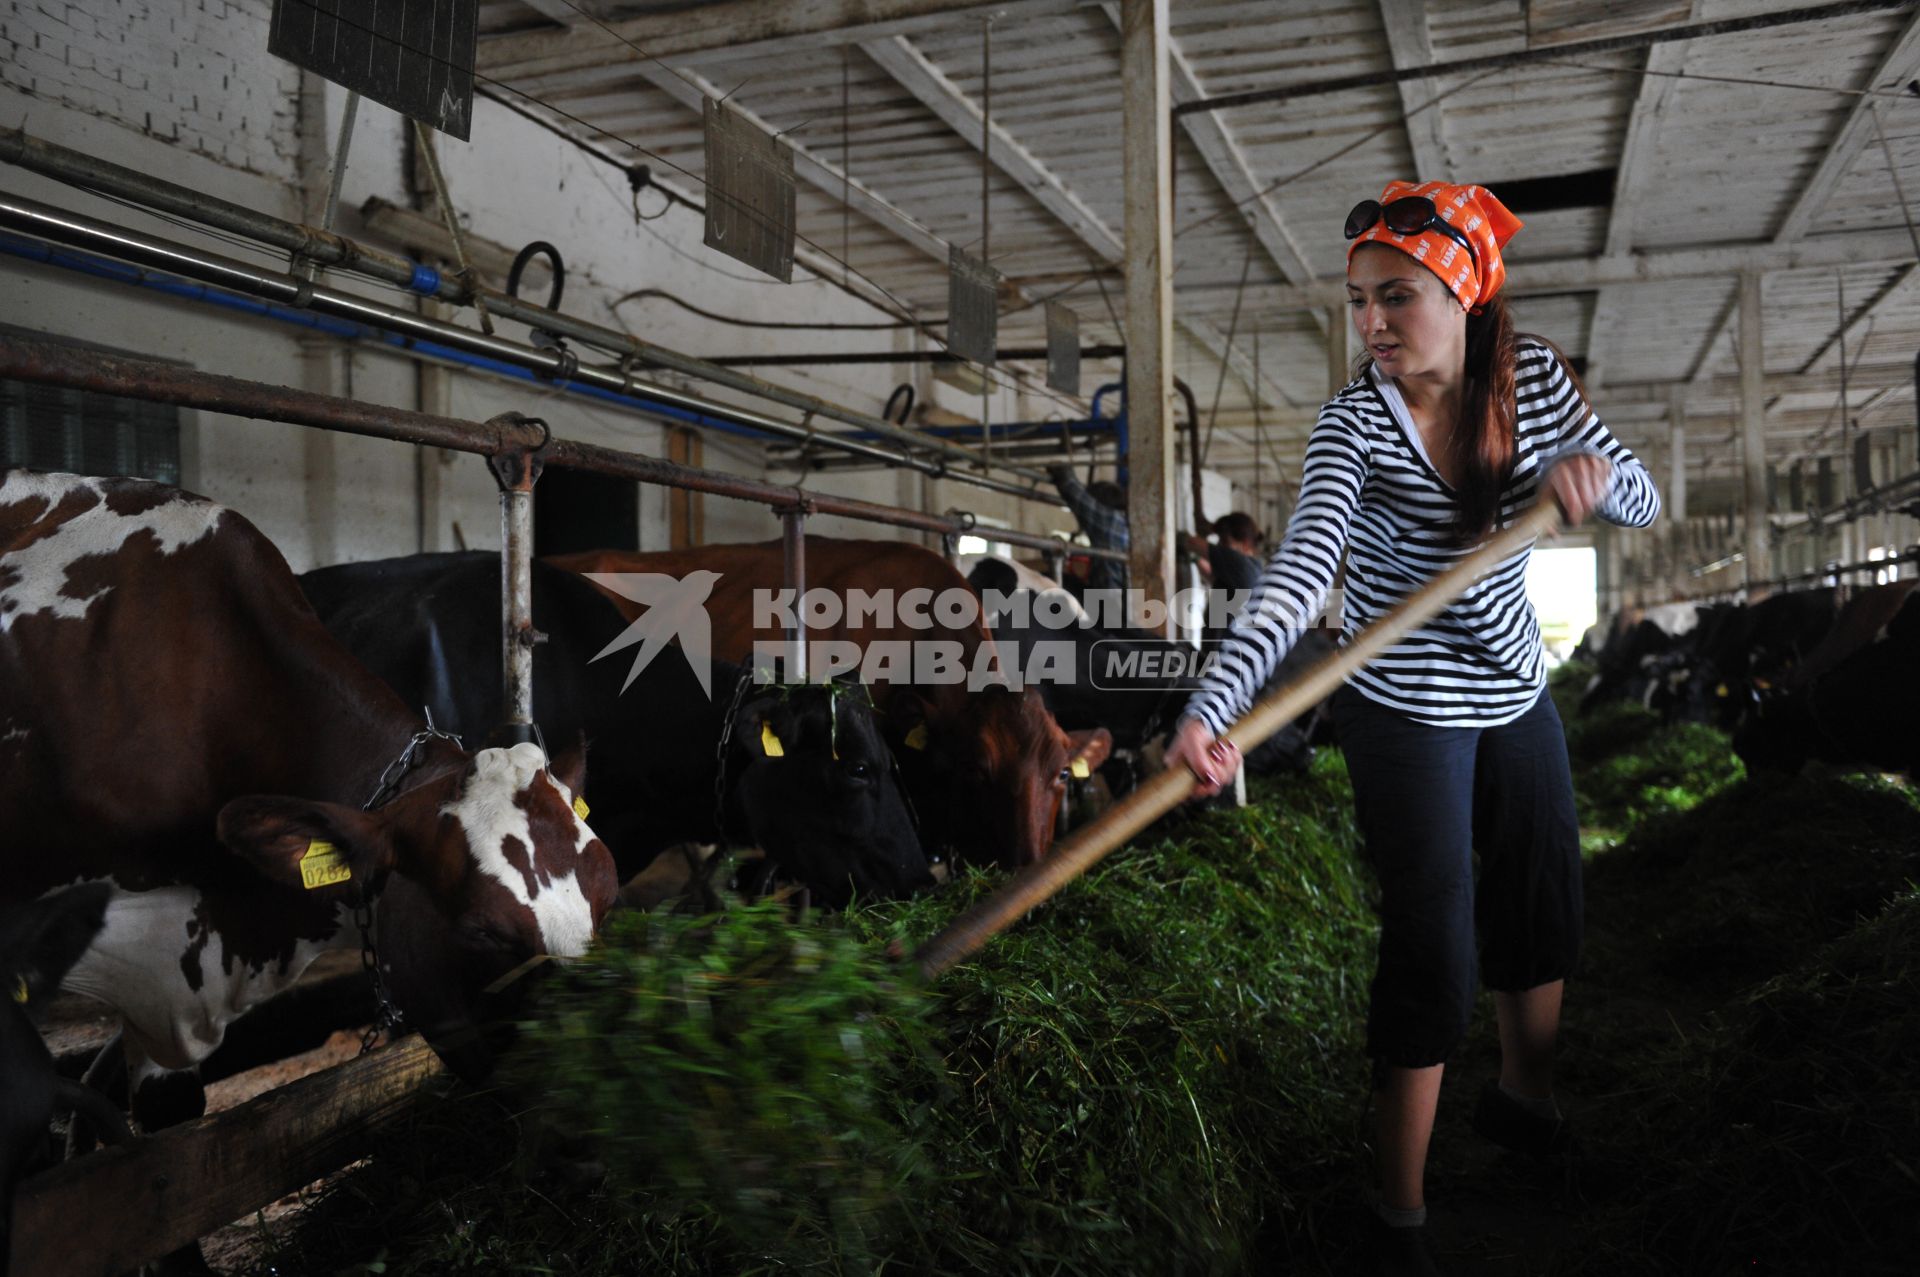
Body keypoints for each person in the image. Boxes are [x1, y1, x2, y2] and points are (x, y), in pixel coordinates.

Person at [1164, 180, 1660, 1276]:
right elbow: (1299, 579)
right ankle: (1396, 1213)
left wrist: (1596, 479)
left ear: (1468, 289)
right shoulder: (1354, 424)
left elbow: (1646, 494)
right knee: (1436, 936)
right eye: (1358, 301)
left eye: (1396, 296)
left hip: (1515, 689)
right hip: (1400, 704)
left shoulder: (1532, 384)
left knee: (1541, 891)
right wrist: (1216, 705)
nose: (1372, 322)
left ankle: (1525, 1102)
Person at [1048, 463, 1128, 593]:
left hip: (1111, 603)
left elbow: (1075, 494)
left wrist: (1063, 471)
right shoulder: (1126, 525)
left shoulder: (1110, 521)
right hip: (1127, 602)